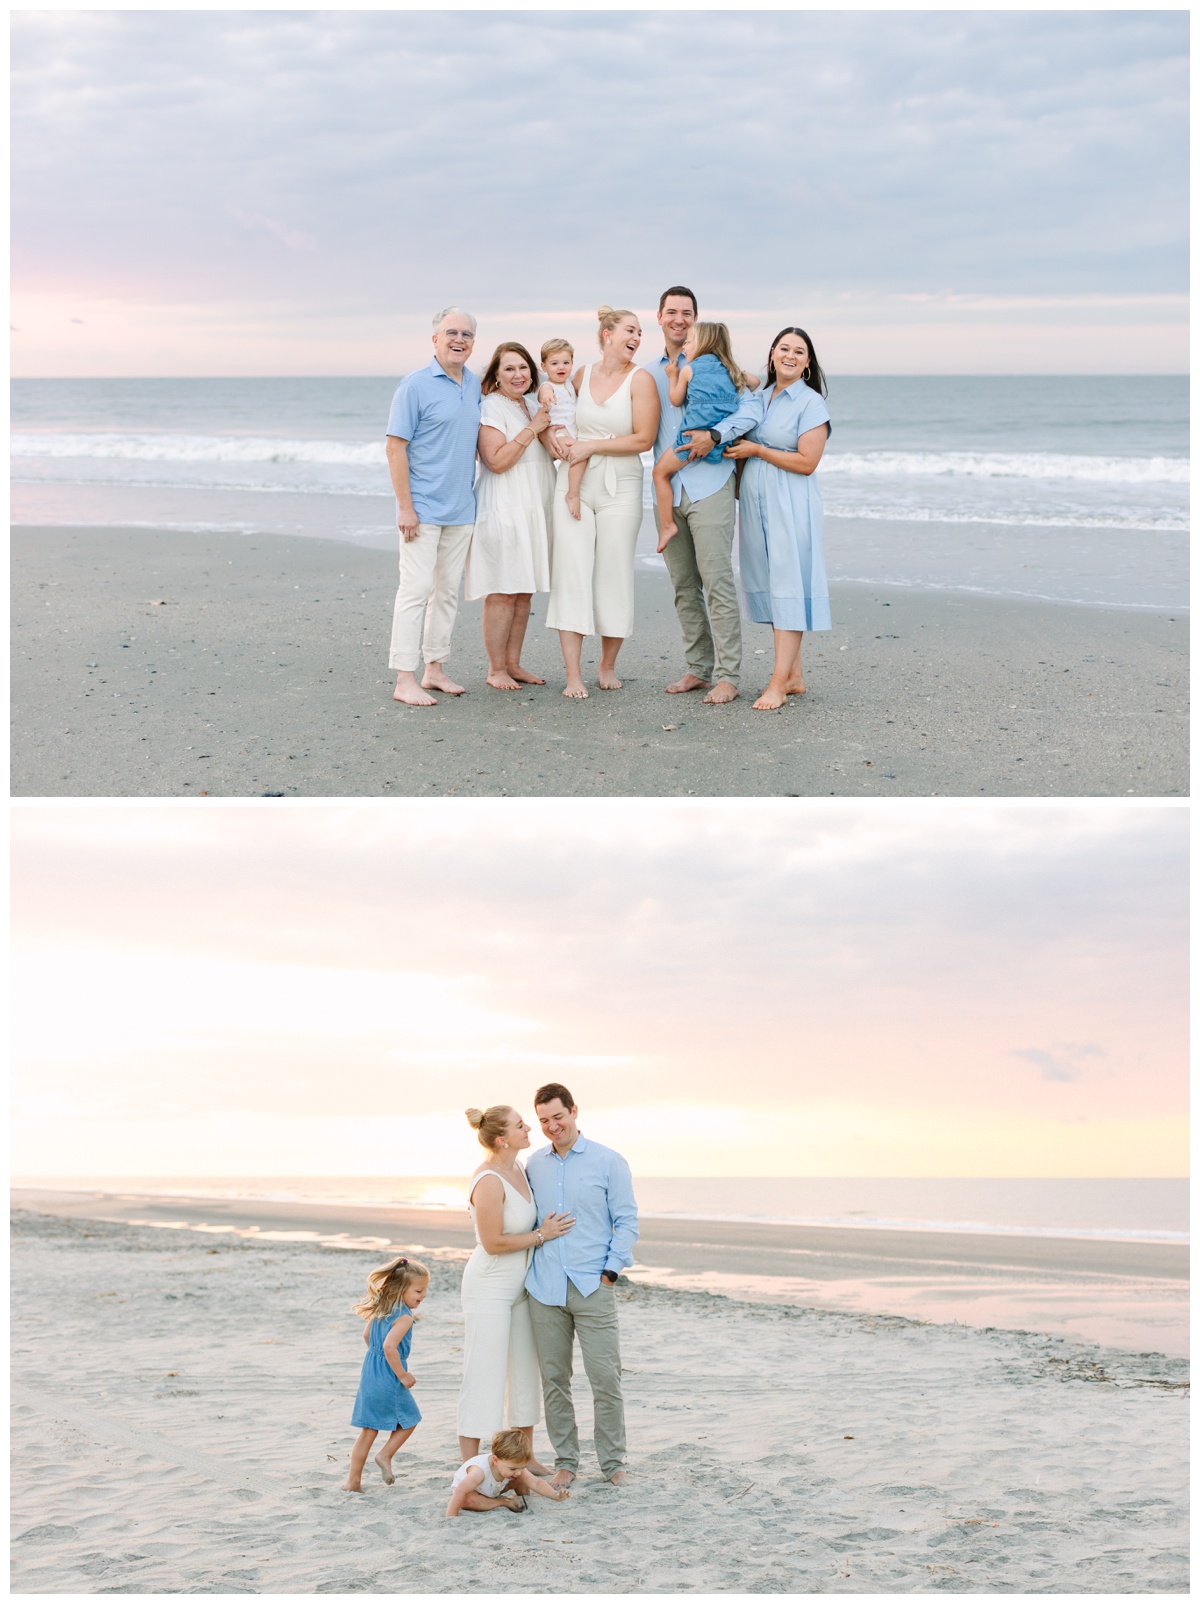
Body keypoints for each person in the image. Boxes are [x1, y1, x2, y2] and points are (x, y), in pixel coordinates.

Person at [692, 327, 832, 711]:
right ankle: (795, 675)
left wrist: (757, 449)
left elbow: (807, 463)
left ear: (807, 363)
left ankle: (777, 683)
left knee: (788, 584)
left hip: (791, 502)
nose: (790, 355)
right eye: (784, 348)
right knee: (771, 586)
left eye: (799, 351)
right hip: (755, 501)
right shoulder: (756, 397)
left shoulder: (811, 403)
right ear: (772, 354)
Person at [524, 1082, 639, 1488]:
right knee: (555, 1381)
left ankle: (613, 1464)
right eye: (543, 1121)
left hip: (593, 1286)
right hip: (544, 1288)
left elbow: (626, 1221)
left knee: (605, 1379)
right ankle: (566, 1462)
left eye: (558, 1116)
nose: (552, 1126)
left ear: (574, 1111)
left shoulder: (609, 1161)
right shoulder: (533, 1164)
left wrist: (610, 1273)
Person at [545, 307, 660, 699]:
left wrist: (591, 445)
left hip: (621, 484)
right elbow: (558, 416)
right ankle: (573, 674)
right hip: (574, 480)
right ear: (607, 334)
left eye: (641, 333)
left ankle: (607, 665)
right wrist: (553, 442)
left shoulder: (640, 379)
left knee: (613, 571)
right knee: (572, 571)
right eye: (631, 330)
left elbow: (644, 439)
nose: (637, 338)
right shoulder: (580, 374)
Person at [458, 1105, 575, 1466]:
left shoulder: (519, 1169)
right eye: (520, 1126)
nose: (529, 1130)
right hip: (489, 1287)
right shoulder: (488, 1180)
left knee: (525, 1372)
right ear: (501, 1139)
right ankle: (469, 1461)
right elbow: (492, 1242)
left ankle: (526, 1457)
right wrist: (542, 1235)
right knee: (484, 1371)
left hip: (522, 1287)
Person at [649, 286, 742, 706]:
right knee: (684, 585)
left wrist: (716, 435)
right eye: (672, 312)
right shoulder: (649, 372)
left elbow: (750, 408)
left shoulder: (719, 366)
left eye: (687, 313)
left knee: (717, 580)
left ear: (696, 320)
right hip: (670, 491)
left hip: (712, 484)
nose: (679, 319)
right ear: (660, 317)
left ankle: (728, 675)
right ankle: (698, 669)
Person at [385, 306, 482, 707]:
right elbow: (395, 448)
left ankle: (434, 668)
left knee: (446, 594)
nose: (459, 340)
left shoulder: (475, 384)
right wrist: (405, 507)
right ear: (435, 339)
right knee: (415, 590)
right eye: (451, 333)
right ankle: (404, 678)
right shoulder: (415, 386)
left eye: (466, 334)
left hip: (462, 508)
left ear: (473, 343)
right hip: (422, 509)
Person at [465, 343, 556, 691]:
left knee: (523, 591)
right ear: (496, 376)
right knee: (502, 590)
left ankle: (514, 664)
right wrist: (532, 428)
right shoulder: (491, 407)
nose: (518, 375)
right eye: (509, 369)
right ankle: (495, 669)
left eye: (523, 368)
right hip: (504, 506)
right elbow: (496, 461)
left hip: (534, 505)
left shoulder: (533, 405)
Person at [652, 320, 757, 551]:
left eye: (689, 342)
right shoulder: (731, 371)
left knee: (659, 473)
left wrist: (672, 376)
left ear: (703, 343)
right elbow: (755, 383)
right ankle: (737, 485)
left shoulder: (689, 369)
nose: (685, 347)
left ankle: (667, 525)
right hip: (718, 442)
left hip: (689, 440)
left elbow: (676, 400)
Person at [342, 1255, 429, 1492]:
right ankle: (385, 1455)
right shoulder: (404, 1317)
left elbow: (367, 1336)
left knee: (368, 1431)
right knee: (410, 1421)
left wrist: (376, 1359)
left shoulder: (382, 1308)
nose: (422, 1296)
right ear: (401, 1289)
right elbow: (390, 1347)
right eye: (418, 1291)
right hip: (389, 1376)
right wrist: (402, 1375)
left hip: (370, 1372)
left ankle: (353, 1482)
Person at [446, 1428, 571, 1517]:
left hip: (494, 1488)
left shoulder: (513, 1467)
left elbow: (536, 1482)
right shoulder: (479, 1471)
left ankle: (524, 1496)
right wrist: (451, 1516)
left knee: (521, 1478)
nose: (517, 1472)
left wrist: (555, 1495)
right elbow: (459, 1491)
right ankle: (503, 1502)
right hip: (474, 1491)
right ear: (495, 1460)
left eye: (522, 1467)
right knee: (468, 1501)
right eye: (513, 1469)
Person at [536, 339, 584, 520]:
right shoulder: (548, 386)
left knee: (580, 455)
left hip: (572, 430)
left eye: (566, 363)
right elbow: (544, 393)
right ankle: (572, 493)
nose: (560, 367)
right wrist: (547, 397)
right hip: (559, 432)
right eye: (554, 363)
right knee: (579, 456)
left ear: (572, 364)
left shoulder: (569, 384)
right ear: (544, 367)